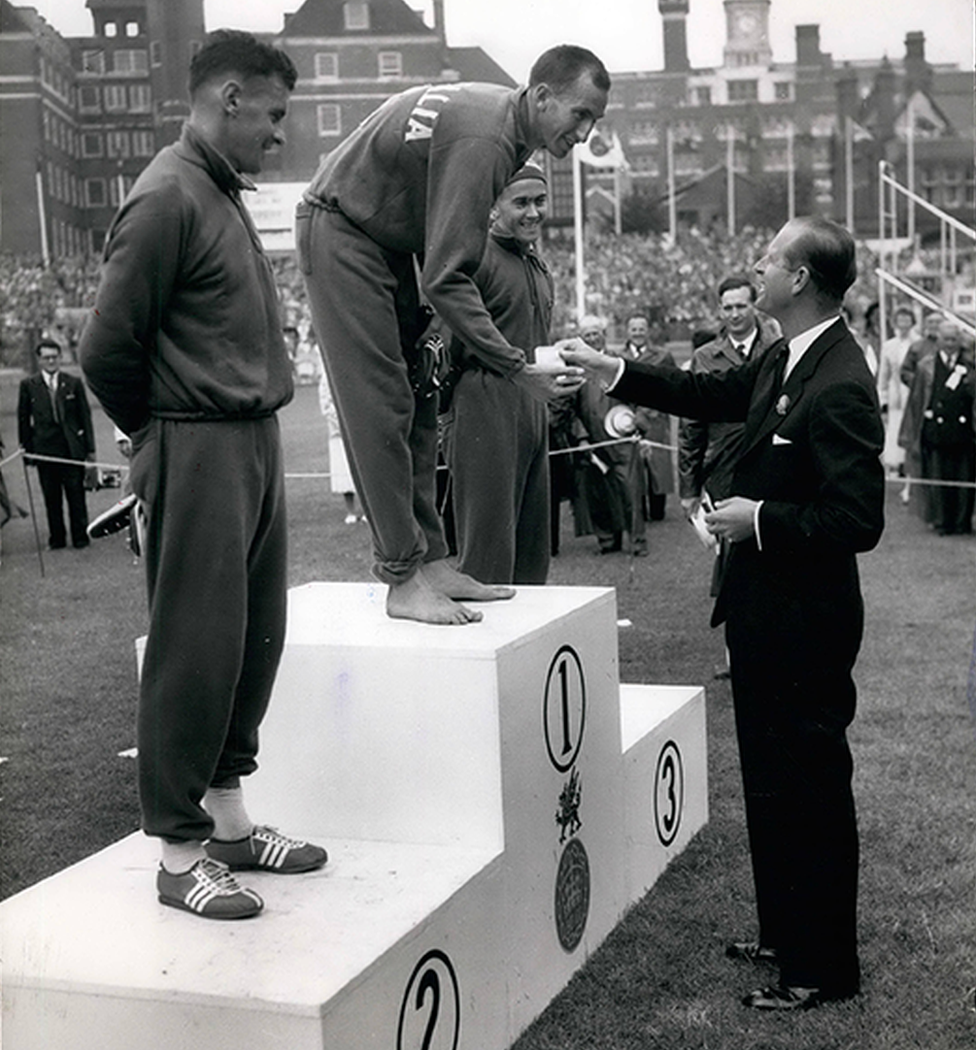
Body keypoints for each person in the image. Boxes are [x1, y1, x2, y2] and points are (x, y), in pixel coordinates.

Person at [563, 216, 885, 1011]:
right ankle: (786, 933)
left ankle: (820, 969)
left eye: (772, 257)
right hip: (763, 614)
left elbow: (858, 519)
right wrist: (618, 368)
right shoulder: (784, 352)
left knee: (807, 786)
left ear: (802, 278)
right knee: (771, 783)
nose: (759, 265)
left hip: (805, 620)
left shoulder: (840, 377)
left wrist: (763, 520)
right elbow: (708, 391)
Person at [79, 30, 326, 922]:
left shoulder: (217, 192)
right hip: (198, 444)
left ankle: (228, 823)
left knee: (252, 640)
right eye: (271, 113)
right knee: (194, 646)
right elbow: (104, 349)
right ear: (227, 96)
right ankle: (180, 856)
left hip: (251, 441)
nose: (278, 133)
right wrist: (155, 437)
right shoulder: (166, 198)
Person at [296, 44, 607, 624]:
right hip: (342, 228)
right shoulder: (487, 139)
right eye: (579, 114)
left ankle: (432, 559)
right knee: (382, 403)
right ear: (541, 96)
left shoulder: (501, 128)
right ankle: (400, 577)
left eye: (595, 121)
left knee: (419, 391)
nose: (585, 133)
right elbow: (447, 277)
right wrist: (516, 367)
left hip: (382, 235)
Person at [444, 163, 556, 585]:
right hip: (483, 402)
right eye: (521, 203)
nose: (533, 212)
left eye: (540, 201)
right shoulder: (475, 258)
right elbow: (448, 345)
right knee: (489, 548)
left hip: (532, 406)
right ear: (493, 207)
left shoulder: (537, 266)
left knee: (532, 547)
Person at [678, 275, 780, 595]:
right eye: (728, 308)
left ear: (755, 307)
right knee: (730, 555)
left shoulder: (777, 350)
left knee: (771, 544)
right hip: (723, 468)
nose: (735, 314)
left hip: (771, 465)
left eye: (741, 306)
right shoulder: (706, 357)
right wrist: (689, 488)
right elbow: (691, 425)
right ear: (720, 311)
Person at [899, 318, 975, 535]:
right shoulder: (925, 367)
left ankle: (962, 523)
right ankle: (942, 521)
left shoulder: (970, 366)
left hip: (964, 433)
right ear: (938, 340)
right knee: (938, 478)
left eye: (954, 339)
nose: (950, 343)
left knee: (964, 479)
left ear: (960, 341)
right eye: (946, 339)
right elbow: (916, 400)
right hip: (935, 432)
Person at [17, 339, 95, 550]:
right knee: (52, 498)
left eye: (54, 357)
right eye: (46, 357)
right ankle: (57, 539)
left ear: (60, 358)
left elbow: (84, 417)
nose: (51, 361)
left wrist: (90, 450)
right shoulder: (28, 385)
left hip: (71, 449)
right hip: (45, 451)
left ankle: (80, 537)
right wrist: (27, 451)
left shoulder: (73, 383)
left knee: (76, 496)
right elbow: (23, 419)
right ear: (39, 360)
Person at [569, 315, 635, 554]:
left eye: (595, 333)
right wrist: (582, 437)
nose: (592, 338)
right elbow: (570, 408)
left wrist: (631, 424)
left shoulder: (617, 361)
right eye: (587, 335)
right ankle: (607, 541)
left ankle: (636, 540)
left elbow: (635, 398)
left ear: (603, 335)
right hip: (590, 440)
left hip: (620, 438)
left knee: (626, 491)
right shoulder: (575, 368)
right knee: (597, 493)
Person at [616, 314, 675, 536]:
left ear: (648, 331)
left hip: (655, 415)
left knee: (656, 462)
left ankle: (658, 507)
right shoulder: (619, 356)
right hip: (627, 416)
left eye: (642, 329)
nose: (638, 333)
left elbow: (671, 384)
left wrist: (653, 408)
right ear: (627, 331)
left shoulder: (663, 355)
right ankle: (638, 505)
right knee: (633, 460)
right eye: (634, 329)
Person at [876, 305, 916, 493]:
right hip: (895, 395)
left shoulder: (917, 342)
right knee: (894, 430)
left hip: (913, 394)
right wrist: (882, 398)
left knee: (911, 432)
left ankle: (909, 475)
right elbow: (883, 375)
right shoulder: (889, 345)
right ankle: (892, 470)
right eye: (900, 320)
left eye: (907, 320)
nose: (904, 323)